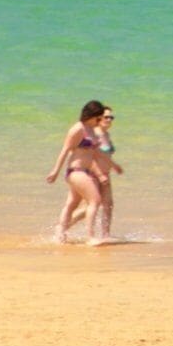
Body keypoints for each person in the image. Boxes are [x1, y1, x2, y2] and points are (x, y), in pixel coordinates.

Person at [48, 101, 120, 244]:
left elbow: (97, 153)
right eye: (99, 118)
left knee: (72, 204)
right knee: (95, 200)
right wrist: (55, 171)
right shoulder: (78, 128)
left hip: (85, 172)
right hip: (76, 171)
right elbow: (65, 150)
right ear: (92, 115)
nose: (100, 121)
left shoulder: (91, 130)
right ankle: (90, 237)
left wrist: (114, 165)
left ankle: (60, 234)